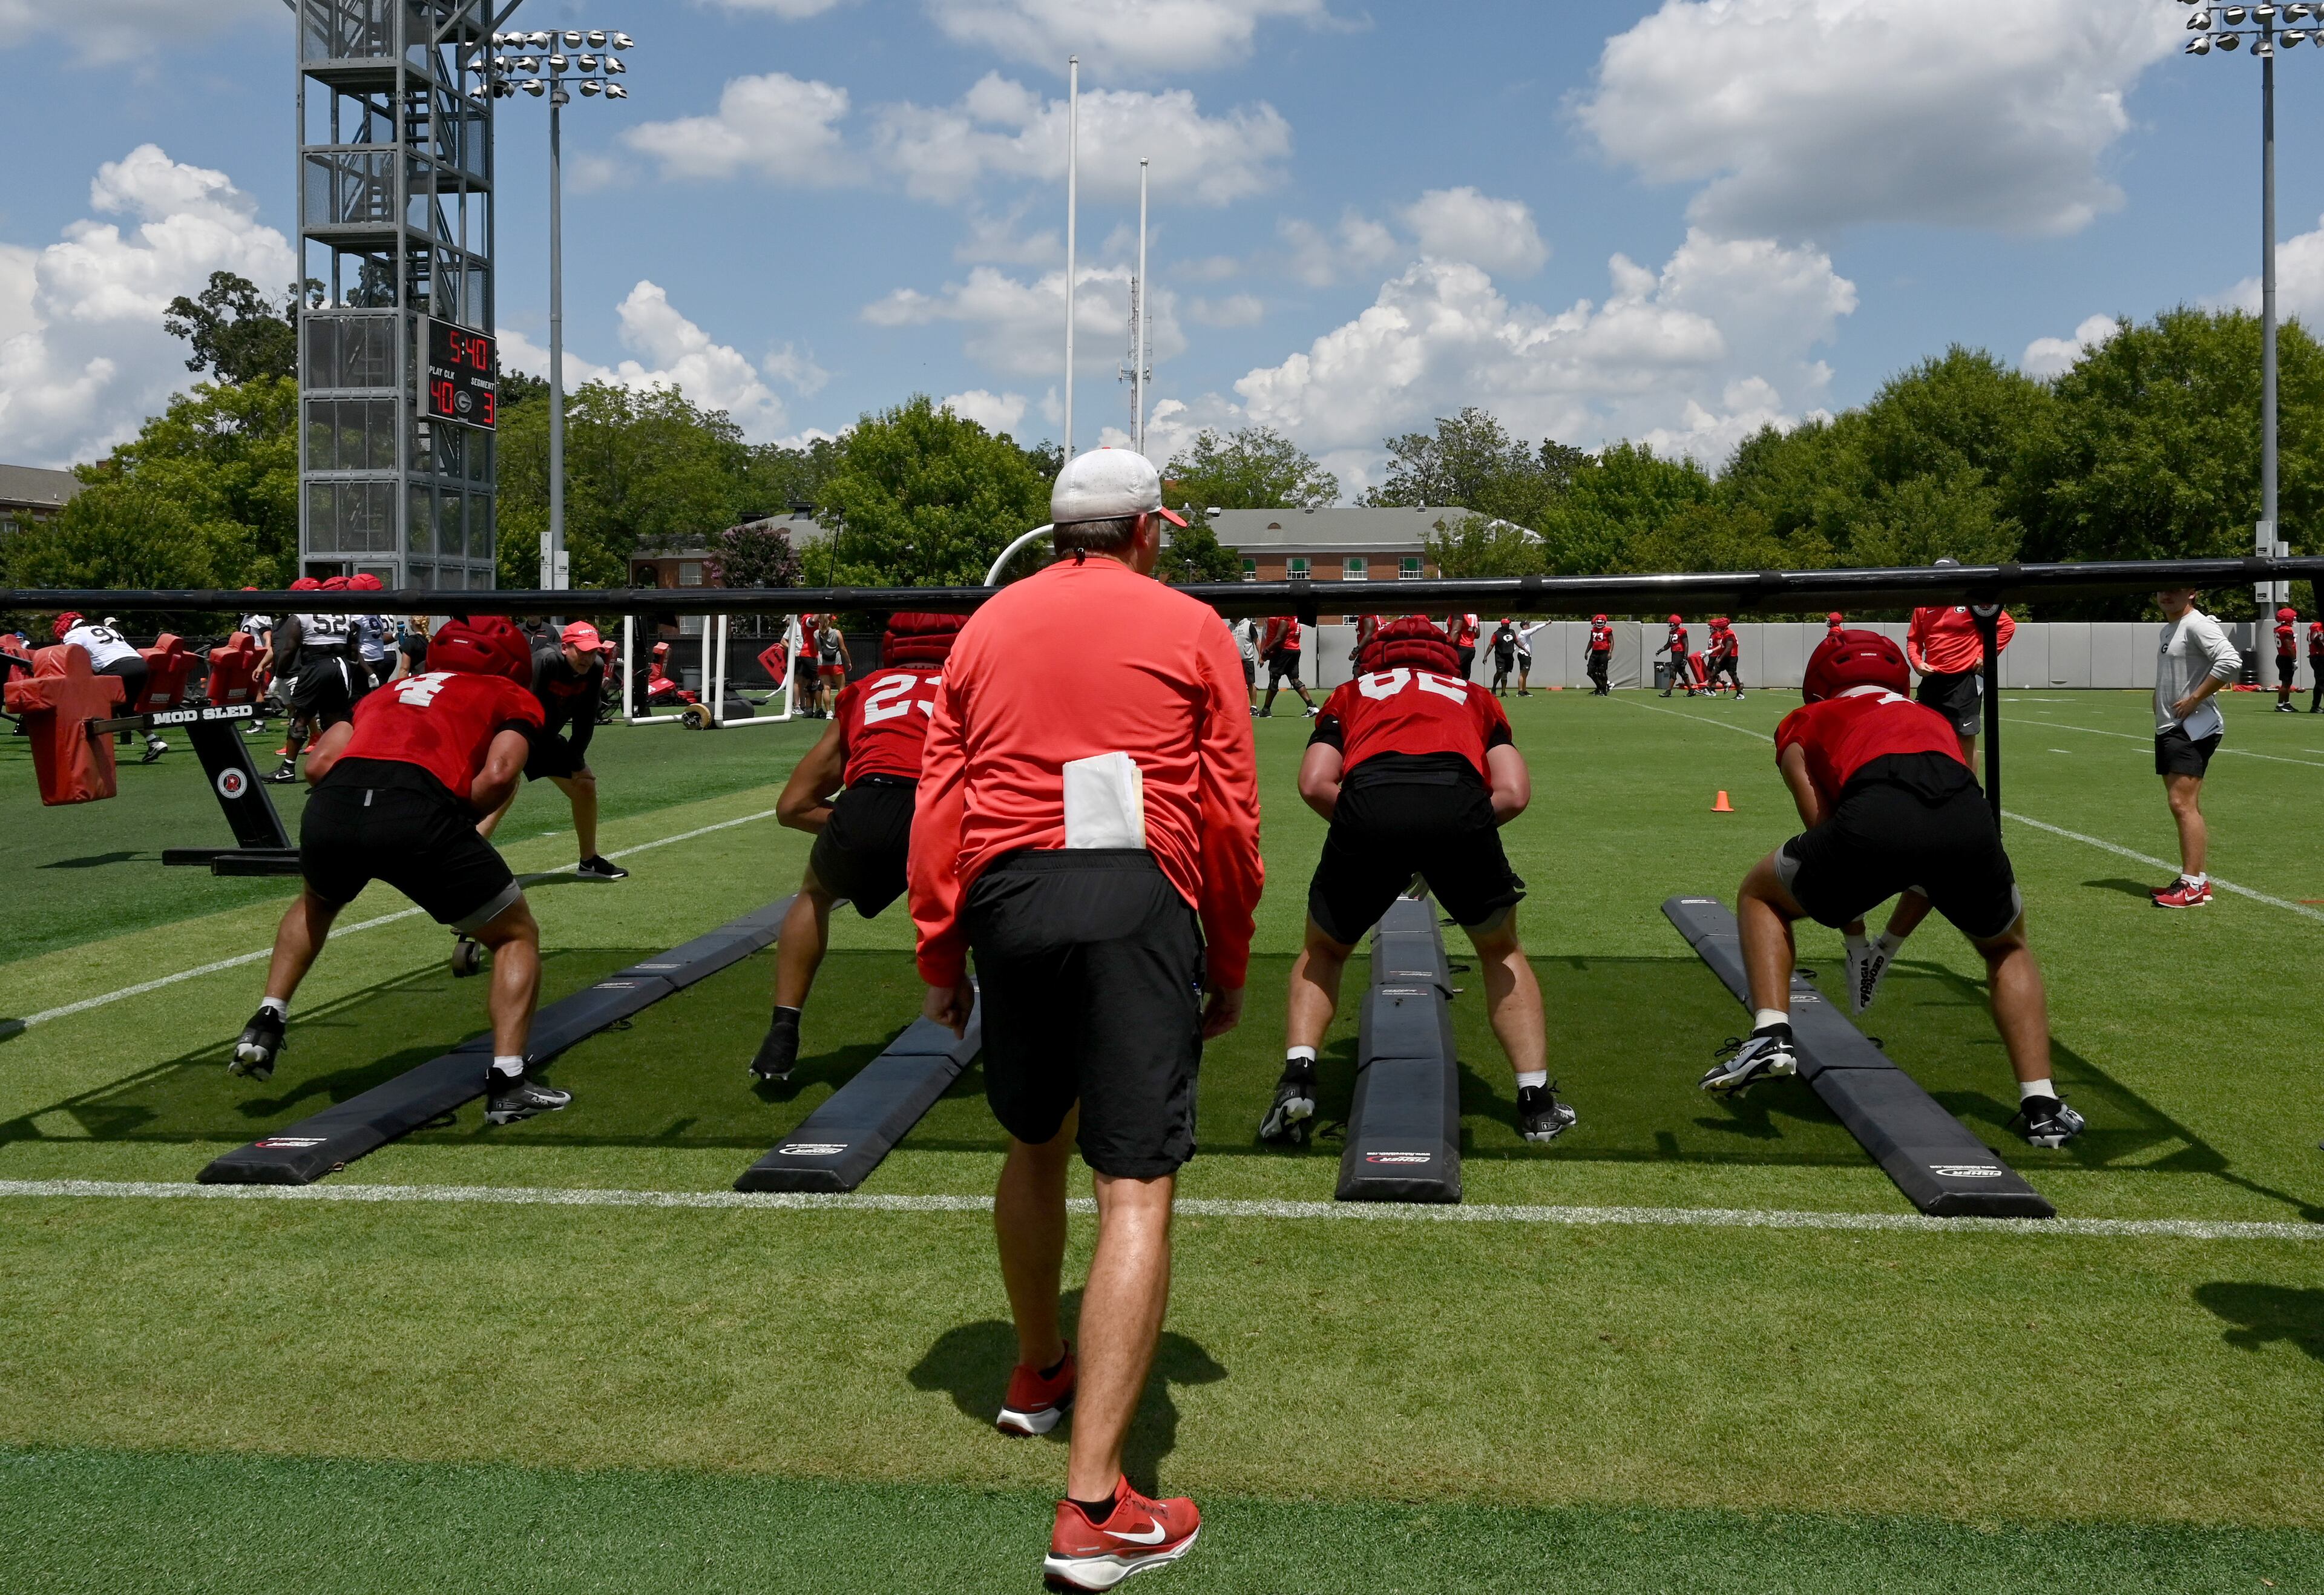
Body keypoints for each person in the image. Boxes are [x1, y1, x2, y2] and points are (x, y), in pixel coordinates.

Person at [910, 447, 1261, 1591]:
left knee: (1032, 1141)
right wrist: (1228, 954)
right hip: (1136, 894)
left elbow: (941, 797)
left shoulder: (985, 628)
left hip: (1011, 893)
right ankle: (1097, 1507)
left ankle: (1034, 1372)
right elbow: (1227, 811)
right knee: (1136, 1186)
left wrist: (940, 944)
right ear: (1149, 528)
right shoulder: (1191, 624)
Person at [1700, 628, 2082, 1148]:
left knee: (1760, 895)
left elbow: (1827, 831)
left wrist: (1855, 938)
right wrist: (1888, 945)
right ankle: (2042, 1104)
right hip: (1967, 818)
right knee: (2006, 947)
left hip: (1875, 809)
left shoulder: (1806, 719)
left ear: (1818, 683)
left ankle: (1770, 1034)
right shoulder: (1934, 719)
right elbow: (1932, 844)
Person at [228, 617, 572, 1124]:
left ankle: (270, 1013)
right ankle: (508, 1082)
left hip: (334, 806)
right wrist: (448, 822)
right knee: (515, 934)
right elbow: (500, 774)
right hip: (417, 810)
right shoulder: (509, 693)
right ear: (515, 662)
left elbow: (317, 766)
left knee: (317, 902)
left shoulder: (388, 691)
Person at [1261, 616, 1572, 1150]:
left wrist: (1377, 831)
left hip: (1368, 801)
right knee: (1500, 950)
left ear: (1374, 652)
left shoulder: (1351, 692)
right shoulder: (1475, 695)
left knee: (1326, 949)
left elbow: (1315, 782)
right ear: (1446, 653)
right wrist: (1445, 840)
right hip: (1458, 802)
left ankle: (1298, 1078)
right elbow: (1514, 792)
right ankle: (1536, 1102)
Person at [751, 611, 965, 1083]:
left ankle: (783, 1028)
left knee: (815, 894)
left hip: (867, 804)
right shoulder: (974, 684)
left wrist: (857, 825)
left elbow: (792, 806)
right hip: (945, 812)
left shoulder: (865, 690)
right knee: (1003, 900)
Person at [474, 620, 629, 881]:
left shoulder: (596, 669)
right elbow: (519, 707)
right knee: (504, 792)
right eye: (582, 651)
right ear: (565, 647)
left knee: (585, 786)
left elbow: (586, 718)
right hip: (512, 731)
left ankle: (589, 862)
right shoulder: (544, 661)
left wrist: (576, 759)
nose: (588, 658)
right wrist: (513, 759)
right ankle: (464, 864)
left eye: (593, 652)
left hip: (545, 737)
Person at [2149, 587, 2242, 909]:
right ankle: (2197, 880)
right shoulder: (2170, 627)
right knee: (2186, 805)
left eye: (2175, 590)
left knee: (2181, 804)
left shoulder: (2197, 624)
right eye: (2162, 589)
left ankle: (2190, 885)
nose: (2166, 595)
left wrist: (2195, 698)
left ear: (2193, 594)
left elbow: (2230, 662)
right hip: (2171, 726)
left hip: (2191, 728)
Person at [1905, 567, 2014, 766]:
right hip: (1933, 679)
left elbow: (2007, 626)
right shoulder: (1924, 604)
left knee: (1965, 737)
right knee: (1924, 734)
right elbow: (1914, 640)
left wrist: (1985, 655)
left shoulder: (1973, 601)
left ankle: (1969, 792)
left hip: (1964, 680)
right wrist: (1918, 663)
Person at [266, 580, 361, 784]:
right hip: (341, 665)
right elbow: (354, 642)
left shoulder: (301, 614)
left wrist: (279, 676)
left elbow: (290, 649)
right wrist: (351, 665)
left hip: (316, 665)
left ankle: (288, 768)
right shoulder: (342, 611)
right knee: (336, 721)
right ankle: (343, 766)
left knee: (300, 717)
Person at [54, 613, 169, 763]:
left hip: (117, 668)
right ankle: (154, 741)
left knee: (92, 709)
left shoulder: (75, 634)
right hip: (140, 665)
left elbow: (69, 658)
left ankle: (95, 751)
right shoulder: (105, 629)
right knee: (126, 710)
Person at [1258, 614, 1318, 717]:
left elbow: (1279, 638)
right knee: (1295, 680)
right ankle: (1311, 706)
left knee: (1274, 679)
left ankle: (1266, 709)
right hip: (1295, 650)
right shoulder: (1296, 619)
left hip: (1283, 652)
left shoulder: (1285, 619)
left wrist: (1267, 650)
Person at [235, 593, 274, 737]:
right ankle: (255, 720)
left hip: (259, 658)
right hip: (249, 659)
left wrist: (267, 658)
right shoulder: (246, 617)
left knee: (259, 690)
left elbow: (268, 639)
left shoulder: (260, 617)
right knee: (250, 692)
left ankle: (259, 723)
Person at [816, 616, 852, 714]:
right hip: (836, 663)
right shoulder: (837, 633)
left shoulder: (816, 633)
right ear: (830, 621)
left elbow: (817, 648)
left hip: (822, 663)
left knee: (826, 688)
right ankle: (841, 710)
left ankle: (828, 712)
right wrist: (848, 661)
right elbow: (843, 649)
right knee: (841, 687)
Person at [1659, 614, 1696, 698]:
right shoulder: (1671, 633)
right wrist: (1661, 650)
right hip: (1674, 653)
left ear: (1675, 624)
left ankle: (1668, 691)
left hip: (1680, 653)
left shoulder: (1682, 631)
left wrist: (1685, 656)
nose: (1669, 625)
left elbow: (1686, 644)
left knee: (1673, 669)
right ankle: (1691, 690)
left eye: (1671, 623)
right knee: (1682, 673)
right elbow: (1668, 644)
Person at [1232, 616, 1262, 714]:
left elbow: (1257, 641)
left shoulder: (1248, 625)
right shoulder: (1230, 627)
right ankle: (1238, 706)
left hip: (1247, 659)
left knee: (1250, 683)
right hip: (1234, 662)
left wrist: (1261, 656)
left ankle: (1253, 707)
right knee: (1235, 685)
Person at [2274, 606, 2300, 713]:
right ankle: (2280, 704)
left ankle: (2287, 703)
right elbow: (2289, 646)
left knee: (2288, 682)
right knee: (2286, 683)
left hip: (2282, 657)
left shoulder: (2279, 629)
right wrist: (2294, 660)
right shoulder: (2286, 630)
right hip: (2286, 658)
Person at [1488, 618, 1520, 698]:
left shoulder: (1512, 632)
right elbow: (1491, 645)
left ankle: (1503, 692)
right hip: (1500, 656)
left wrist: (1524, 649)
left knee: (1505, 674)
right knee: (1500, 671)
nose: (1508, 625)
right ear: (1503, 624)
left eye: (1509, 624)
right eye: (1507, 624)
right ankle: (1494, 688)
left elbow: (1517, 642)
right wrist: (1486, 656)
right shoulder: (1497, 634)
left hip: (1509, 656)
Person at [1514, 620, 1547, 695]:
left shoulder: (1527, 634)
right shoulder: (1524, 633)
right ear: (1524, 626)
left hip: (1527, 655)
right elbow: (1535, 629)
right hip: (1524, 655)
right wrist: (1545, 624)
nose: (1529, 626)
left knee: (1525, 674)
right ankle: (1520, 691)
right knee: (1522, 673)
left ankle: (1524, 691)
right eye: (1527, 625)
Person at [1586, 614, 1613, 696]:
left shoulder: (1608, 630)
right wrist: (1587, 652)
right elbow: (1591, 642)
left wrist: (1610, 652)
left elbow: (1612, 641)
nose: (1600, 624)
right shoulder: (1594, 630)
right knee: (1590, 672)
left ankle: (1603, 691)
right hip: (1595, 652)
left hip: (1604, 652)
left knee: (1602, 672)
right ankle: (1600, 687)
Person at [1449, 611, 1481, 680]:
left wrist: (1448, 646)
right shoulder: (1474, 614)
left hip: (1460, 647)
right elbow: (1477, 634)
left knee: (1450, 671)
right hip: (1470, 648)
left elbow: (1456, 630)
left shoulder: (1459, 611)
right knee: (1464, 678)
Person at [2310, 617, 2323, 713]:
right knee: (2321, 682)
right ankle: (2315, 706)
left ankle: (2315, 706)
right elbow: (2315, 639)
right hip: (2319, 657)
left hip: (2318, 656)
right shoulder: (2317, 626)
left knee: (2319, 683)